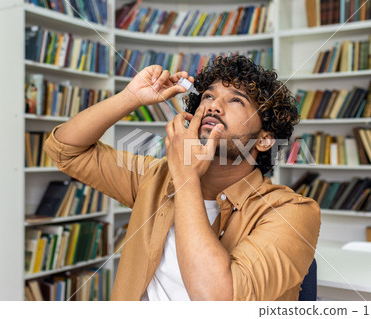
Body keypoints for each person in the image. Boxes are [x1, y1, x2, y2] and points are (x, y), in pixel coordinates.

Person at [44, 55, 321, 301]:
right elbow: (66, 151)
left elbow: (217, 300)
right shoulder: (158, 177)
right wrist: (131, 97)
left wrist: (187, 177)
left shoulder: (292, 212)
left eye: (236, 99)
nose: (214, 106)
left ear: (264, 140)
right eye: (209, 96)